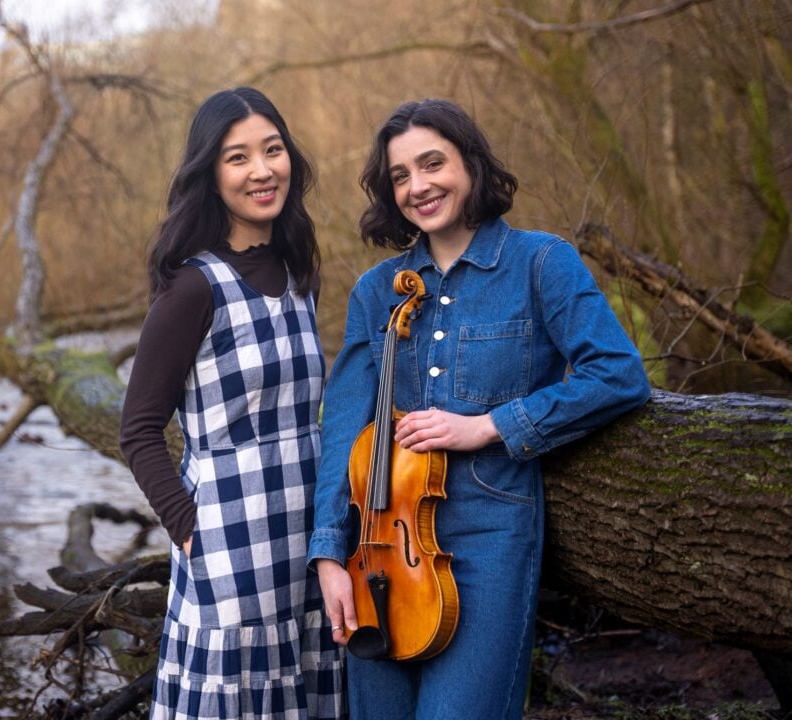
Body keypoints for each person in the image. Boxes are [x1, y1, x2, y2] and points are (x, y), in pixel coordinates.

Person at [308, 98, 651, 719]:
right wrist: (331, 553)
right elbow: (344, 428)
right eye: (401, 176)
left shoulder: (540, 263)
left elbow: (618, 375)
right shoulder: (375, 292)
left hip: (488, 547)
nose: (419, 186)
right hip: (379, 554)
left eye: (432, 163)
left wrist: (491, 425)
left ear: (471, 162)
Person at [119, 87, 345, 719]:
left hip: (310, 533)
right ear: (211, 176)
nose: (261, 170)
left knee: (307, 683)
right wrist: (192, 534)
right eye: (237, 157)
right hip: (230, 541)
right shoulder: (193, 287)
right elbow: (137, 430)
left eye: (272, 150)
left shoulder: (300, 271)